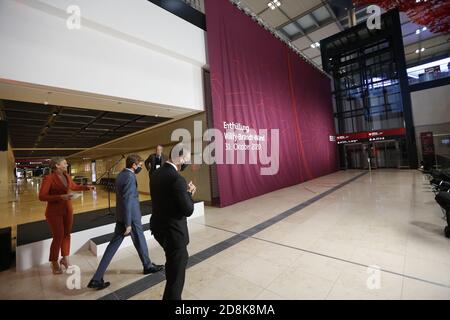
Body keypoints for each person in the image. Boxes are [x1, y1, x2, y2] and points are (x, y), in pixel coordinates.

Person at [87, 154, 163, 290]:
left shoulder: (121, 175)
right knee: (140, 240)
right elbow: (128, 199)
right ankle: (148, 266)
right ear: (133, 165)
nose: (140, 167)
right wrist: (128, 223)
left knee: (113, 247)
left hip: (122, 216)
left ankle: (97, 278)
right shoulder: (129, 176)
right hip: (131, 218)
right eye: (139, 165)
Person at [150, 144, 196, 300]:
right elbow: (188, 210)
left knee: (174, 263)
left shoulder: (155, 174)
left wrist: (183, 193)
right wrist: (189, 194)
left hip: (158, 227)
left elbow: (166, 199)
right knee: (176, 279)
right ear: (179, 158)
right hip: (173, 232)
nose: (186, 163)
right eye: (186, 159)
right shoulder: (177, 179)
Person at [39, 157, 94, 274]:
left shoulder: (67, 176)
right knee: (58, 236)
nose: (66, 164)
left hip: (68, 210)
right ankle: (54, 262)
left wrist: (86, 187)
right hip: (54, 212)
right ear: (57, 165)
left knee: (67, 235)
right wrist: (60, 197)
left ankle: (65, 259)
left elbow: (73, 187)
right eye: (64, 163)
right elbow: (42, 196)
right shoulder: (49, 178)